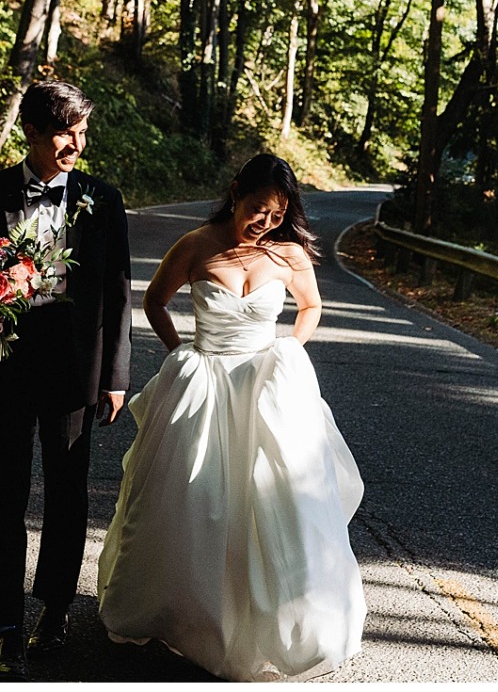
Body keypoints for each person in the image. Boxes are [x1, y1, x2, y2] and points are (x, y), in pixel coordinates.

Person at [96, 154, 366, 681]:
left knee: (274, 497)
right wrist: (184, 353)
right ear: (236, 191)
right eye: (257, 208)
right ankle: (182, 611)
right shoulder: (196, 244)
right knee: (194, 498)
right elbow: (154, 302)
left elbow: (310, 307)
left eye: (276, 213)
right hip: (206, 381)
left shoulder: (288, 253)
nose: (264, 221)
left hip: (266, 380)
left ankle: (274, 616)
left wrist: (290, 348)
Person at [0, 79, 132, 678]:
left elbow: (116, 293)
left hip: (75, 371)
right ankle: (5, 626)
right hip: (3, 368)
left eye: (82, 133)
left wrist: (115, 376)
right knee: (4, 495)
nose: (75, 144)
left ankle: (54, 611)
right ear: (31, 132)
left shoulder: (103, 201)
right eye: (64, 133)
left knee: (68, 495)